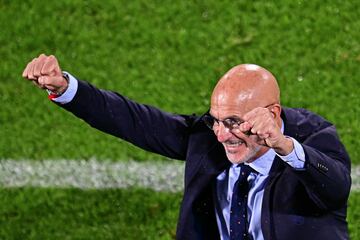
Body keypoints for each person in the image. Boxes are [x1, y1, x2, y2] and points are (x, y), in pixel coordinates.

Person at [22, 54, 351, 240]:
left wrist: (283, 146)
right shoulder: (208, 135)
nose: (222, 135)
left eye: (234, 122)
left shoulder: (313, 139)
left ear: (272, 114)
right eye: (217, 120)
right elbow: (134, 121)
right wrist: (66, 88)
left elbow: (334, 189)